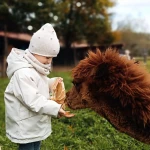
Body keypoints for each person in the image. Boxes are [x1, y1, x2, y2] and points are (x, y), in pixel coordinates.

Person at [4, 23, 74, 150]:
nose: (49, 61)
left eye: (52, 58)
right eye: (47, 57)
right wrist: (55, 108)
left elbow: (39, 83)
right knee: (29, 147)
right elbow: (33, 99)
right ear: (34, 52)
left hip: (33, 122)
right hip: (25, 124)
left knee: (36, 145)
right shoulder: (23, 73)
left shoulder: (35, 69)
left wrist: (52, 82)